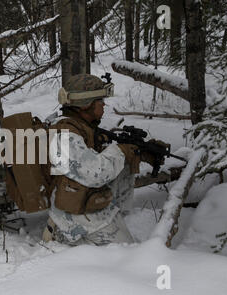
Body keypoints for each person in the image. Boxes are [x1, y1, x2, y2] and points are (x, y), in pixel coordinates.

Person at [42, 74, 158, 246]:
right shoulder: (64, 135)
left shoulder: (81, 126)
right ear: (85, 104)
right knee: (127, 255)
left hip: (87, 203)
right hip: (74, 216)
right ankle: (60, 232)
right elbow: (94, 172)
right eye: (100, 100)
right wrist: (121, 151)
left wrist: (139, 153)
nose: (104, 105)